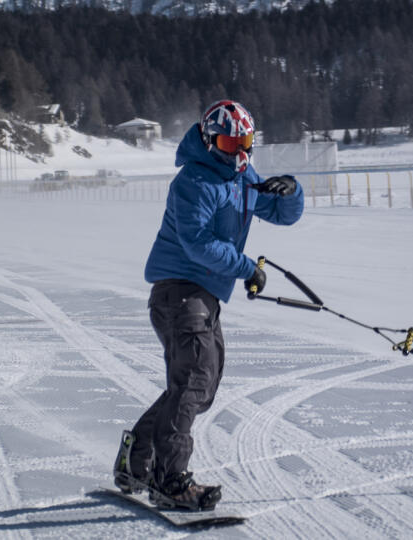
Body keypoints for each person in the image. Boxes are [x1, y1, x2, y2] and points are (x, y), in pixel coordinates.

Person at [112, 100, 304, 510]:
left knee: (200, 389)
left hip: (203, 296)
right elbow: (197, 245)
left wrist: (290, 190)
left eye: (245, 142)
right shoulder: (194, 182)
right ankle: (171, 481)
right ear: (208, 139)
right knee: (194, 381)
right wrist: (247, 268)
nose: (239, 151)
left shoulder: (243, 175)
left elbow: (281, 214)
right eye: (229, 141)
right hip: (179, 291)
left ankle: (135, 460)